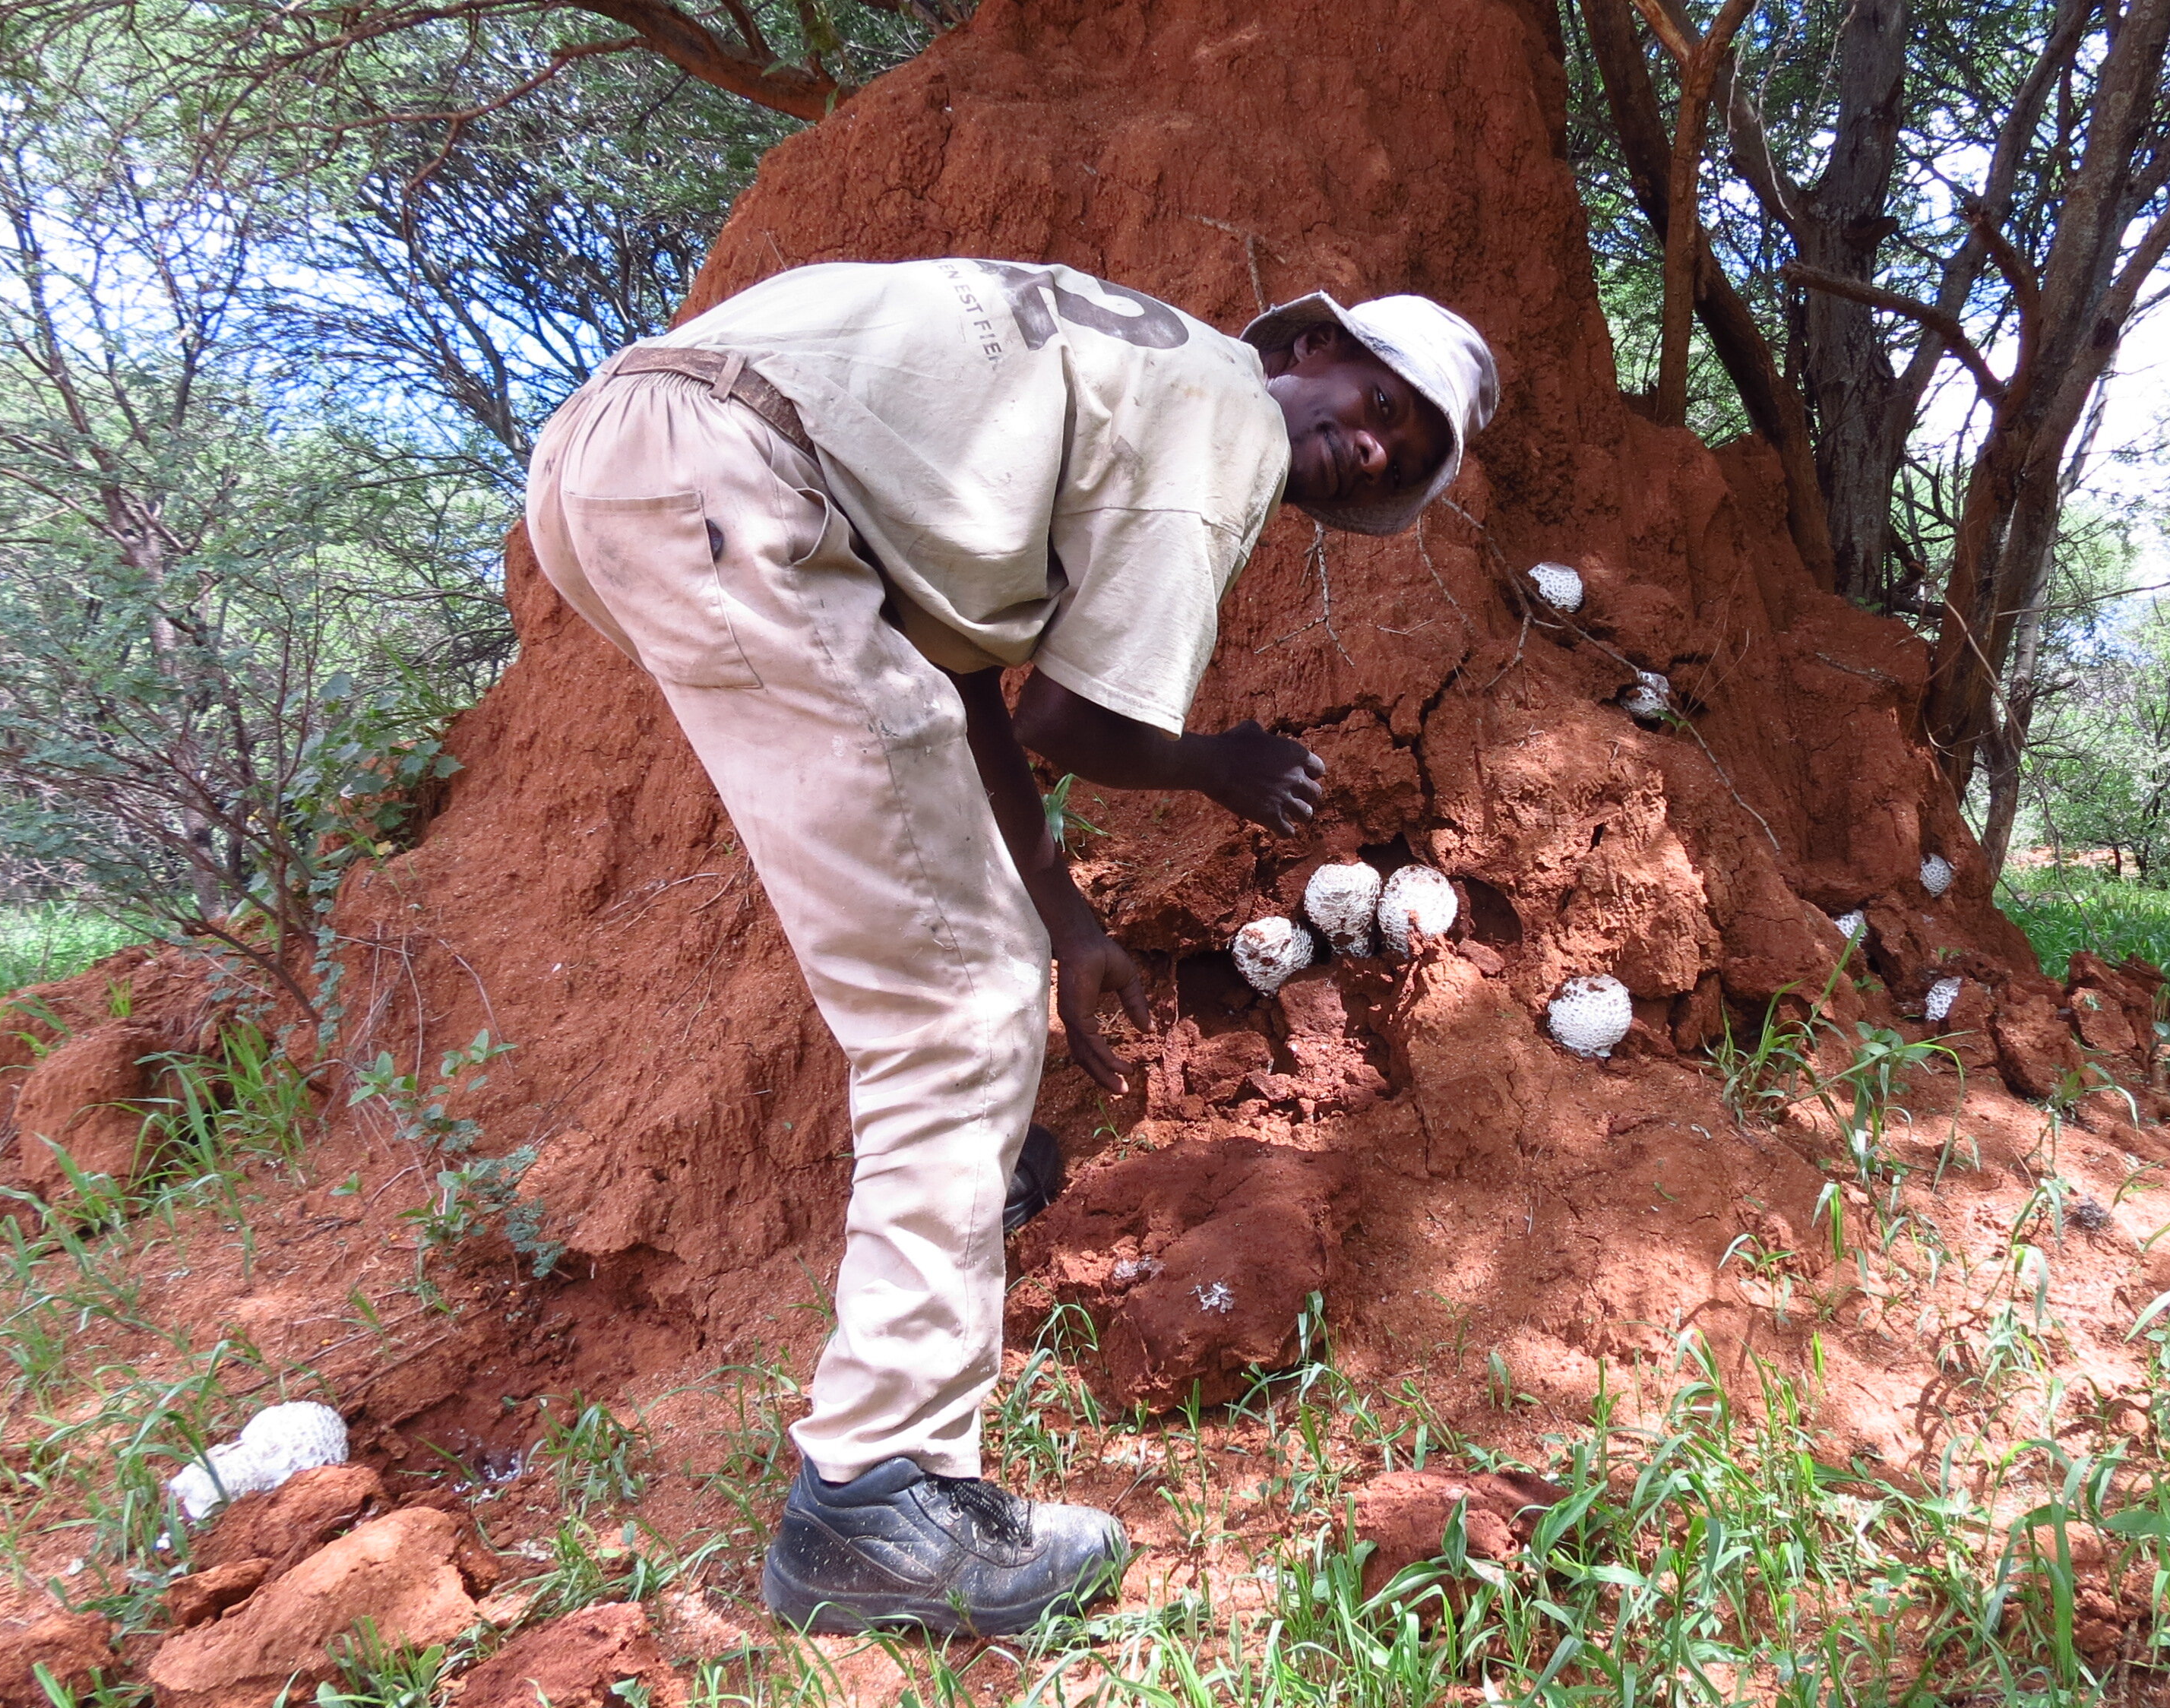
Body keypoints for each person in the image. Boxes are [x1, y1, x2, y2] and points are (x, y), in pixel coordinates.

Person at [523, 258, 1497, 1636]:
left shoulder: (1124, 377)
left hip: (634, 465)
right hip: (732, 476)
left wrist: (1070, 924)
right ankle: (877, 1501)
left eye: (1405, 451)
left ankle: (911, 1398)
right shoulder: (1225, 414)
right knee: (951, 1000)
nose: (1374, 442)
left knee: (962, 956)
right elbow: (1070, 725)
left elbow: (962, 691)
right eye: (1384, 400)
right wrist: (1221, 760)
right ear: (1319, 348)